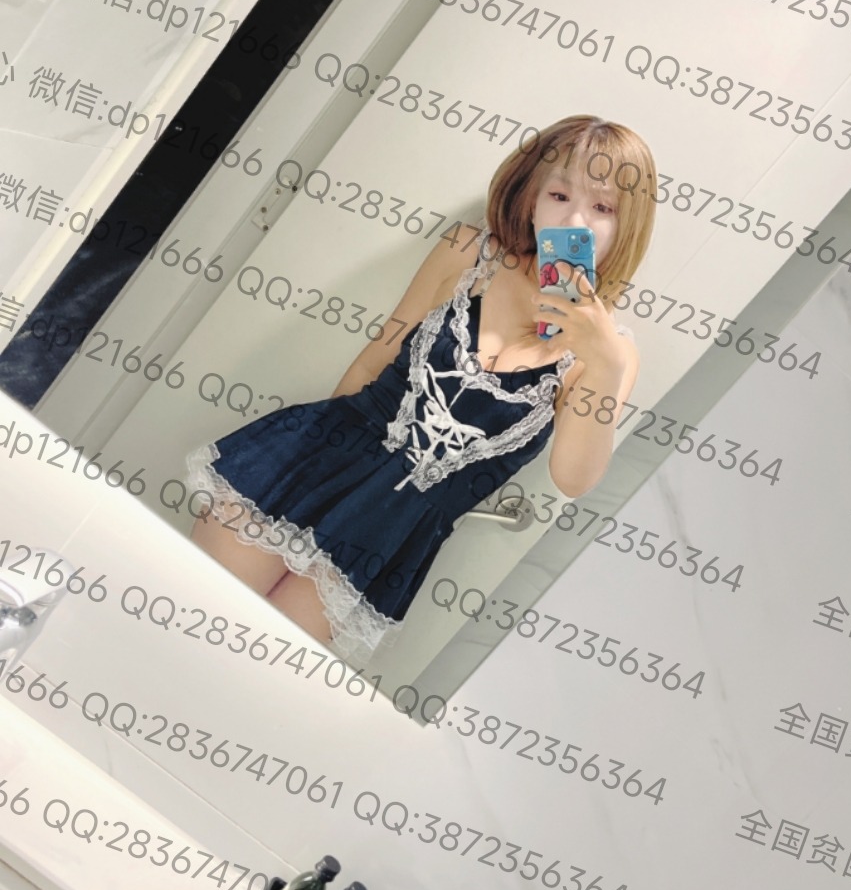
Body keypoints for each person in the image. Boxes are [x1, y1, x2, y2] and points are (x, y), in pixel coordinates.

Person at [184, 114, 657, 665]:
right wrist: (314, 458)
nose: (575, 219)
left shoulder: (611, 356)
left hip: (389, 526)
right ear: (531, 198)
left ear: (628, 225)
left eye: (602, 208)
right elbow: (376, 356)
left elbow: (573, 479)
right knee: (189, 607)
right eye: (559, 195)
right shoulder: (469, 254)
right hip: (314, 457)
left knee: (248, 663)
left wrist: (603, 359)